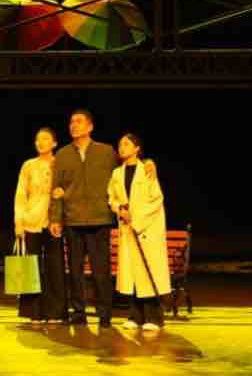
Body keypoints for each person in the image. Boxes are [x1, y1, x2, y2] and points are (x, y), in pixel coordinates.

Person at [49, 109, 155, 328]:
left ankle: (105, 313)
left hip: (100, 220)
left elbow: (129, 164)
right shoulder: (63, 155)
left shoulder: (106, 152)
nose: (73, 125)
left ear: (90, 127)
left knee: (101, 272)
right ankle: (79, 312)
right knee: (75, 271)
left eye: (79, 122)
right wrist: (55, 218)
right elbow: (56, 189)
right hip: (73, 219)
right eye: (71, 122)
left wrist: (149, 162)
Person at [108, 133, 170, 332]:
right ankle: (136, 315)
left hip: (146, 229)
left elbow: (156, 199)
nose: (122, 147)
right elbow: (112, 197)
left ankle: (155, 317)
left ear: (137, 148)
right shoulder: (117, 173)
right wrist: (119, 209)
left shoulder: (147, 170)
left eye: (127, 144)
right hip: (127, 228)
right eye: (120, 144)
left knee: (147, 271)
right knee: (134, 272)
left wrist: (136, 219)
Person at [14, 126, 67, 324]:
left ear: (54, 143)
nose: (40, 142)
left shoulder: (60, 164)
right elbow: (21, 194)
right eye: (38, 139)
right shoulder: (28, 165)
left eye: (45, 139)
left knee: (55, 267)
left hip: (54, 222)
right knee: (31, 266)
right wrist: (19, 221)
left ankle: (56, 312)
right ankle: (33, 312)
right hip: (31, 221)